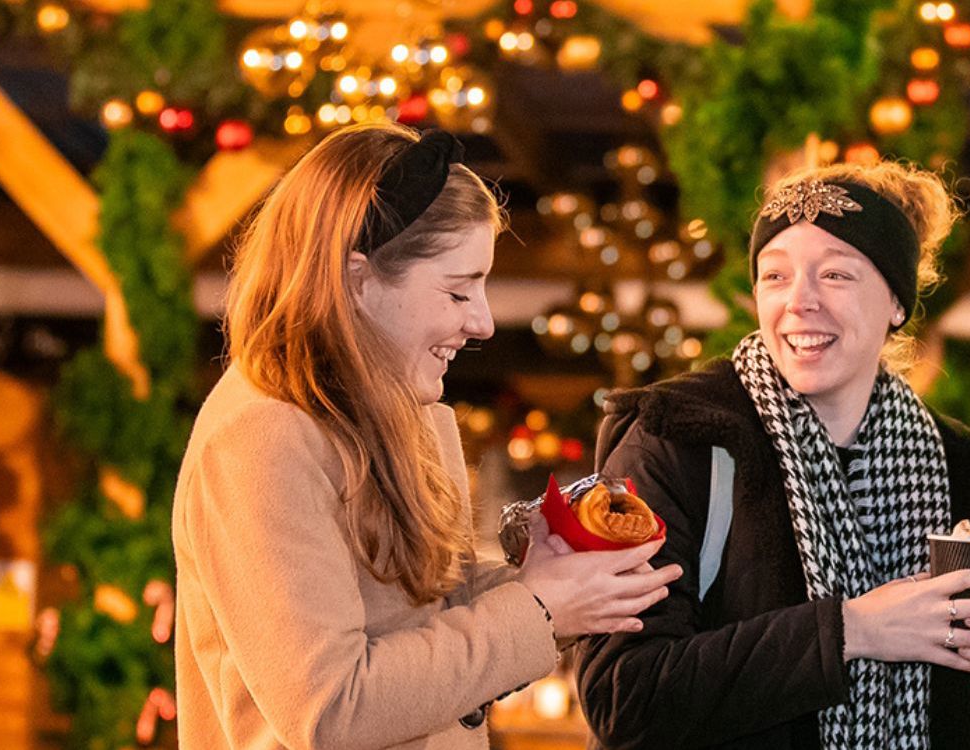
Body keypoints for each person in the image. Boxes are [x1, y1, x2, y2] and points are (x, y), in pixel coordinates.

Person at [172, 122, 680, 749]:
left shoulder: (414, 415)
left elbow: (431, 615)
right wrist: (540, 610)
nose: (484, 322)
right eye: (458, 290)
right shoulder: (261, 439)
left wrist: (552, 585)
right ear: (357, 281)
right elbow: (331, 709)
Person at [576, 161, 970, 749]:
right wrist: (852, 631)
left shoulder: (959, 470)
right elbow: (623, 696)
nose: (799, 302)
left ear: (897, 302)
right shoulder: (677, 438)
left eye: (836, 275)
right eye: (775, 276)